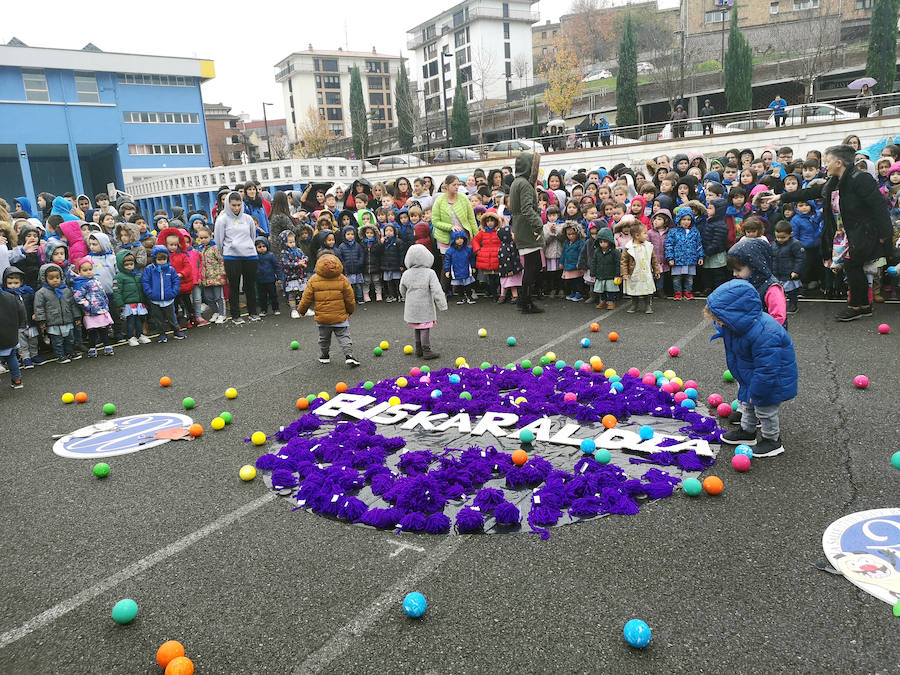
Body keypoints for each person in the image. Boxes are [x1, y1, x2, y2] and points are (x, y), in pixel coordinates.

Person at [768, 144, 893, 321]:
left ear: (839, 162)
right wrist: (782, 196)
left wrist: (884, 235)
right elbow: (812, 192)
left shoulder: (860, 179)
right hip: (846, 233)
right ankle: (864, 305)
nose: (825, 165)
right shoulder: (835, 181)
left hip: (862, 232)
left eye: (827, 161)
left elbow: (878, 207)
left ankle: (857, 306)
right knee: (853, 268)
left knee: (852, 266)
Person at [706, 279, 798, 458]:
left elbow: (768, 367)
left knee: (765, 410)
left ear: (734, 314)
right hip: (750, 376)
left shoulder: (765, 332)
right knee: (746, 404)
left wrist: (758, 389)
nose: (718, 323)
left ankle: (772, 440)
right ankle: (747, 432)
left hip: (770, 380)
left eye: (719, 319)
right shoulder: (737, 327)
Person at [297, 253, 359, 367]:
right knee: (344, 336)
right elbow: (349, 297)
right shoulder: (342, 279)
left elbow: (306, 297)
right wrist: (350, 311)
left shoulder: (313, 280)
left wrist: (302, 310)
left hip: (323, 318)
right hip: (339, 317)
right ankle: (349, 355)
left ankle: (325, 355)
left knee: (324, 338)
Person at [215, 191, 260, 324]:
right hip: (232, 257)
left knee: (250, 285)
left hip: (250, 256)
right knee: (234, 286)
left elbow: (252, 237)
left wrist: (249, 248)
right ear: (228, 205)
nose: (236, 208)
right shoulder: (222, 219)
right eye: (233, 205)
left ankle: (253, 312)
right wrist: (228, 251)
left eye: (239, 205)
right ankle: (236, 315)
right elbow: (219, 240)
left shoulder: (247, 219)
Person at [509, 153, 545, 313]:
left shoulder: (517, 182)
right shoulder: (523, 184)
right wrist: (538, 225)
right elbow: (526, 208)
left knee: (532, 264)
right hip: (527, 227)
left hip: (521, 225)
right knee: (533, 265)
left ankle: (524, 300)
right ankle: (526, 302)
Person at [432, 175, 478, 296]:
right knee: (446, 266)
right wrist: (450, 227)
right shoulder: (439, 200)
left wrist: (476, 237)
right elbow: (435, 221)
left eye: (458, 184)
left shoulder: (463, 198)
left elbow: (471, 219)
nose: (457, 187)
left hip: (463, 238)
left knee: (467, 263)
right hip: (445, 239)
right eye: (454, 185)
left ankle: (469, 291)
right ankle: (442, 293)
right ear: (446, 186)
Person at [399, 244, 447, 360]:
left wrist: (407, 298)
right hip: (425, 306)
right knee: (425, 326)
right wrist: (441, 304)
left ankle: (419, 349)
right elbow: (437, 290)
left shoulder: (406, 273)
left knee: (417, 326)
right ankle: (427, 351)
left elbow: (402, 289)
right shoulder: (430, 273)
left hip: (411, 307)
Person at [33, 263, 81, 362]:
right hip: (53, 321)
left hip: (67, 319)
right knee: (57, 341)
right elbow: (39, 308)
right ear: (44, 279)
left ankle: (70, 352)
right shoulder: (41, 293)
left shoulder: (66, 290)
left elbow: (72, 304)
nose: (55, 280)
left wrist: (77, 317)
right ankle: (60, 355)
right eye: (51, 278)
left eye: (57, 277)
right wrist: (41, 321)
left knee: (69, 338)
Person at [72, 259, 114, 356]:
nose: (89, 272)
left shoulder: (95, 280)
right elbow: (78, 297)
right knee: (92, 331)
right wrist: (87, 306)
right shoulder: (80, 284)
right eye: (85, 270)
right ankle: (92, 348)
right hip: (90, 312)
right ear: (79, 272)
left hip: (101, 309)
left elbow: (101, 293)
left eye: (90, 269)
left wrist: (105, 302)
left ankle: (107, 346)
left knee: (104, 330)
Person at [2, 267, 39, 367]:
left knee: (33, 341)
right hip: (17, 324)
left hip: (30, 322)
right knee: (22, 344)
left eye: (16, 283)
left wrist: (35, 313)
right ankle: (26, 358)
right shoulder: (6, 296)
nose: (13, 286)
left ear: (21, 282)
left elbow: (34, 304)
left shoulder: (28, 293)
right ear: (5, 283)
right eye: (10, 283)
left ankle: (34, 355)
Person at [621, 222, 660, 314]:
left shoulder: (648, 246)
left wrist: (656, 270)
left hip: (645, 273)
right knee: (634, 289)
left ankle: (647, 305)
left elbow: (653, 259)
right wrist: (624, 273)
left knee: (647, 289)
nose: (647, 235)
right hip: (634, 273)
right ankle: (634, 304)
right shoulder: (629, 247)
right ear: (637, 235)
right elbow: (623, 262)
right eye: (645, 233)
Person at [666, 206, 704, 300]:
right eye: (683, 219)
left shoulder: (695, 232)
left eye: (688, 219)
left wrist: (700, 257)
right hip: (677, 259)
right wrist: (670, 258)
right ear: (679, 219)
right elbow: (669, 246)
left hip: (691, 259)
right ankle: (677, 292)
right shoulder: (673, 232)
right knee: (676, 277)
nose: (686, 222)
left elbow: (698, 245)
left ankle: (688, 292)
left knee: (689, 277)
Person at [112, 250, 149, 346]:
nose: (129, 266)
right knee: (130, 321)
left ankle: (140, 335)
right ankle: (131, 337)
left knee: (139, 319)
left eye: (131, 264)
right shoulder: (119, 277)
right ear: (121, 265)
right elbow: (117, 291)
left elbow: (142, 288)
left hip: (138, 302)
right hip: (128, 303)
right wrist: (120, 303)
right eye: (126, 264)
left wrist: (144, 299)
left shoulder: (138, 275)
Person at [771, 221, 806, 315]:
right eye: (778, 237)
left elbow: (800, 258)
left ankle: (793, 304)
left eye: (783, 237)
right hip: (777, 272)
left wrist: (796, 271)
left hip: (789, 273)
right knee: (778, 291)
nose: (780, 239)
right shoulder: (773, 244)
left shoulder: (795, 244)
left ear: (791, 234)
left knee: (791, 291)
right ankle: (779, 305)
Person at [195, 227, 227, 324]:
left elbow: (221, 261)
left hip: (216, 277)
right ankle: (216, 312)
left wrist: (223, 275)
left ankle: (222, 314)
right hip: (206, 278)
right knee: (209, 298)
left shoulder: (215, 248)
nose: (203, 240)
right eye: (201, 238)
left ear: (211, 236)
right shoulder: (200, 250)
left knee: (218, 297)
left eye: (205, 237)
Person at [0, 269, 25, 387]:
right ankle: (17, 380)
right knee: (11, 357)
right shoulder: (11, 297)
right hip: (10, 334)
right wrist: (19, 325)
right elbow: (22, 312)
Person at [278, 230, 308, 318]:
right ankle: (293, 310)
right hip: (291, 277)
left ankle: (304, 309)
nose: (292, 244)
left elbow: (305, 256)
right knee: (292, 293)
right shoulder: (284, 253)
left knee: (303, 293)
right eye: (290, 242)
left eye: (293, 241)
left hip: (301, 275)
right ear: (284, 243)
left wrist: (304, 260)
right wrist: (297, 264)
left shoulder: (298, 250)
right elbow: (286, 264)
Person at [590, 228, 620, 310]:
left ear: (610, 241)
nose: (603, 244)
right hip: (600, 274)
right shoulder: (597, 251)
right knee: (601, 289)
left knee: (610, 290)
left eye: (605, 241)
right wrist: (592, 273)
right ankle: (603, 301)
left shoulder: (614, 252)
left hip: (611, 274)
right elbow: (594, 262)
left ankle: (611, 302)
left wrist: (618, 274)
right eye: (600, 242)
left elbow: (618, 264)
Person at [336, 226, 366, 303]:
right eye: (348, 234)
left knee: (358, 285)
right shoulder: (342, 246)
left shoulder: (357, 245)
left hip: (357, 269)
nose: (350, 236)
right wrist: (344, 267)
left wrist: (360, 263)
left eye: (352, 234)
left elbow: (361, 255)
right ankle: (351, 299)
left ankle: (360, 298)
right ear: (344, 235)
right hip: (347, 270)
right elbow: (340, 257)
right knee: (349, 286)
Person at [254, 237, 283, 316]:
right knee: (262, 296)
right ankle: (263, 310)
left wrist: (280, 277)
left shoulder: (271, 255)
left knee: (273, 295)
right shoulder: (255, 257)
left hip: (270, 279)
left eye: (264, 246)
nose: (262, 248)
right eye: (259, 247)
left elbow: (277, 267)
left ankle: (276, 308)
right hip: (259, 280)